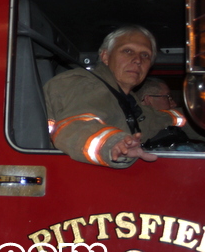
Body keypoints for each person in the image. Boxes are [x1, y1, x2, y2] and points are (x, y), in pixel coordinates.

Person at [44, 25, 186, 168]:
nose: (138, 60)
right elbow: (74, 126)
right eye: (128, 51)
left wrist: (195, 114)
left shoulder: (129, 101)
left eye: (145, 55)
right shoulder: (85, 84)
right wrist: (112, 143)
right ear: (105, 56)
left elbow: (158, 120)